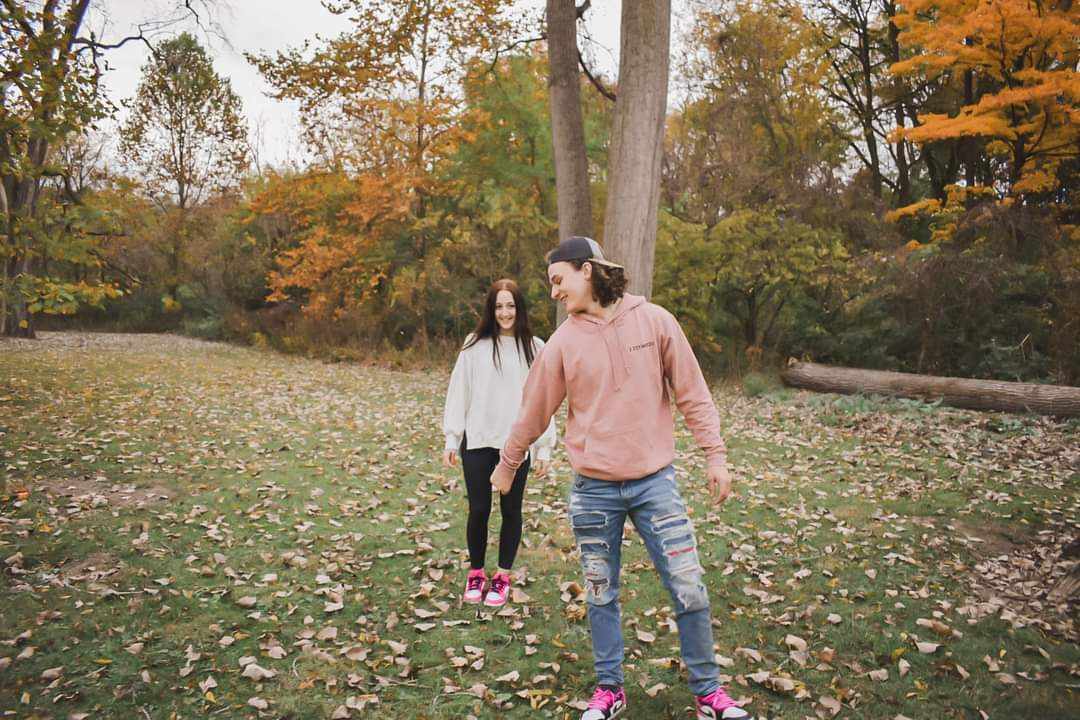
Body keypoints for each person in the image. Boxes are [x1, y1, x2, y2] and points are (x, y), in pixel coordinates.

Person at [490, 238, 753, 720]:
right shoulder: (564, 343)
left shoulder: (654, 321)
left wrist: (715, 455)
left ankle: (709, 693)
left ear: (586, 270)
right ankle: (610, 690)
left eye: (558, 280)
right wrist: (508, 463)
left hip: (655, 483)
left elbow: (692, 392)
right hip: (593, 490)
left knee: (688, 585)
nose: (552, 292)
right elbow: (533, 411)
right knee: (599, 591)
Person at [443, 279, 556, 608]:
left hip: (515, 445)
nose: (505, 312)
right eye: (499, 306)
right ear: (491, 310)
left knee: (511, 510)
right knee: (479, 509)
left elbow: (544, 400)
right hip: (478, 439)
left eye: (511, 306)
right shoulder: (474, 345)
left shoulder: (535, 347)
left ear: (519, 308)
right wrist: (453, 437)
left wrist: (543, 446)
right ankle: (476, 572)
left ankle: (502, 575)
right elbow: (458, 390)